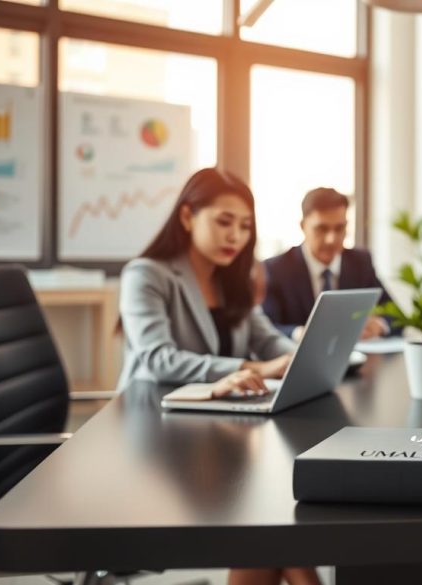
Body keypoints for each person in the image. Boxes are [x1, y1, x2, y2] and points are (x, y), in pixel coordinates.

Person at [117, 167, 321, 585]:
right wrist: (246, 369)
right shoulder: (147, 274)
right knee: (274, 519)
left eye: (245, 226)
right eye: (224, 222)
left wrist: (301, 359)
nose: (236, 236)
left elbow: (267, 341)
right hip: (155, 433)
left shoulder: (232, 279)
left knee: (275, 521)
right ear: (188, 217)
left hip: (213, 431)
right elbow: (158, 358)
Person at [262, 187, 395, 341]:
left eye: (340, 228)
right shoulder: (276, 269)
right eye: (321, 229)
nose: (331, 239)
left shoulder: (360, 263)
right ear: (303, 226)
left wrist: (379, 325)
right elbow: (265, 329)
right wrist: (299, 333)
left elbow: (396, 316)